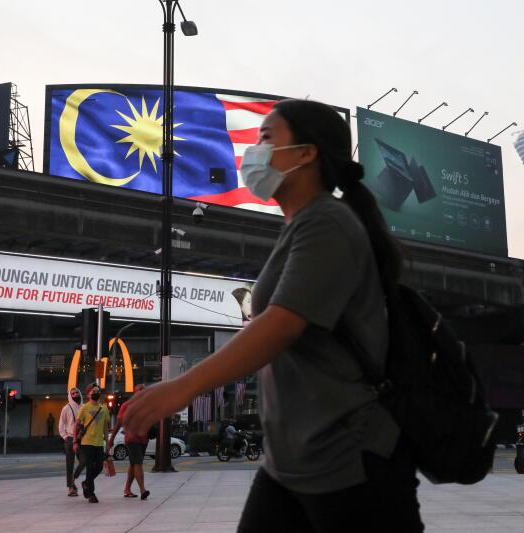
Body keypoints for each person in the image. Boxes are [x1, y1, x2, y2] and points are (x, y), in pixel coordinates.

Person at [123, 99, 423, 532]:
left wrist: (183, 388)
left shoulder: (327, 222)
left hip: (350, 461)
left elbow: (281, 325)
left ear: (306, 153)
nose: (254, 152)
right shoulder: (301, 226)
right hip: (292, 461)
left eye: (266, 138)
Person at [108, 384, 150, 500]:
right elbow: (119, 423)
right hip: (132, 439)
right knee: (138, 463)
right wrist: (111, 439)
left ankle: (127, 489)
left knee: (133, 464)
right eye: (140, 390)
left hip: (143, 439)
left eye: (144, 390)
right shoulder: (127, 406)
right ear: (135, 392)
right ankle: (143, 490)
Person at [75, 384, 110, 503]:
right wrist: (75, 441)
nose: (96, 392)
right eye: (93, 391)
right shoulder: (84, 408)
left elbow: (105, 426)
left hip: (99, 443)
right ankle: (91, 494)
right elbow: (77, 425)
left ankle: (86, 483)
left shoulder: (104, 408)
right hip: (87, 443)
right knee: (90, 468)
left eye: (97, 390)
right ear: (88, 393)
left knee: (99, 467)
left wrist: (108, 442)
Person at [59, 386, 84, 497]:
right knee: (69, 464)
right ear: (70, 395)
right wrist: (65, 437)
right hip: (69, 439)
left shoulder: (84, 407)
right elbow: (61, 425)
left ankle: (73, 478)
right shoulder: (66, 408)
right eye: (73, 393)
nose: (75, 395)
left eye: (77, 392)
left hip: (82, 439)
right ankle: (70, 488)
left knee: (84, 461)